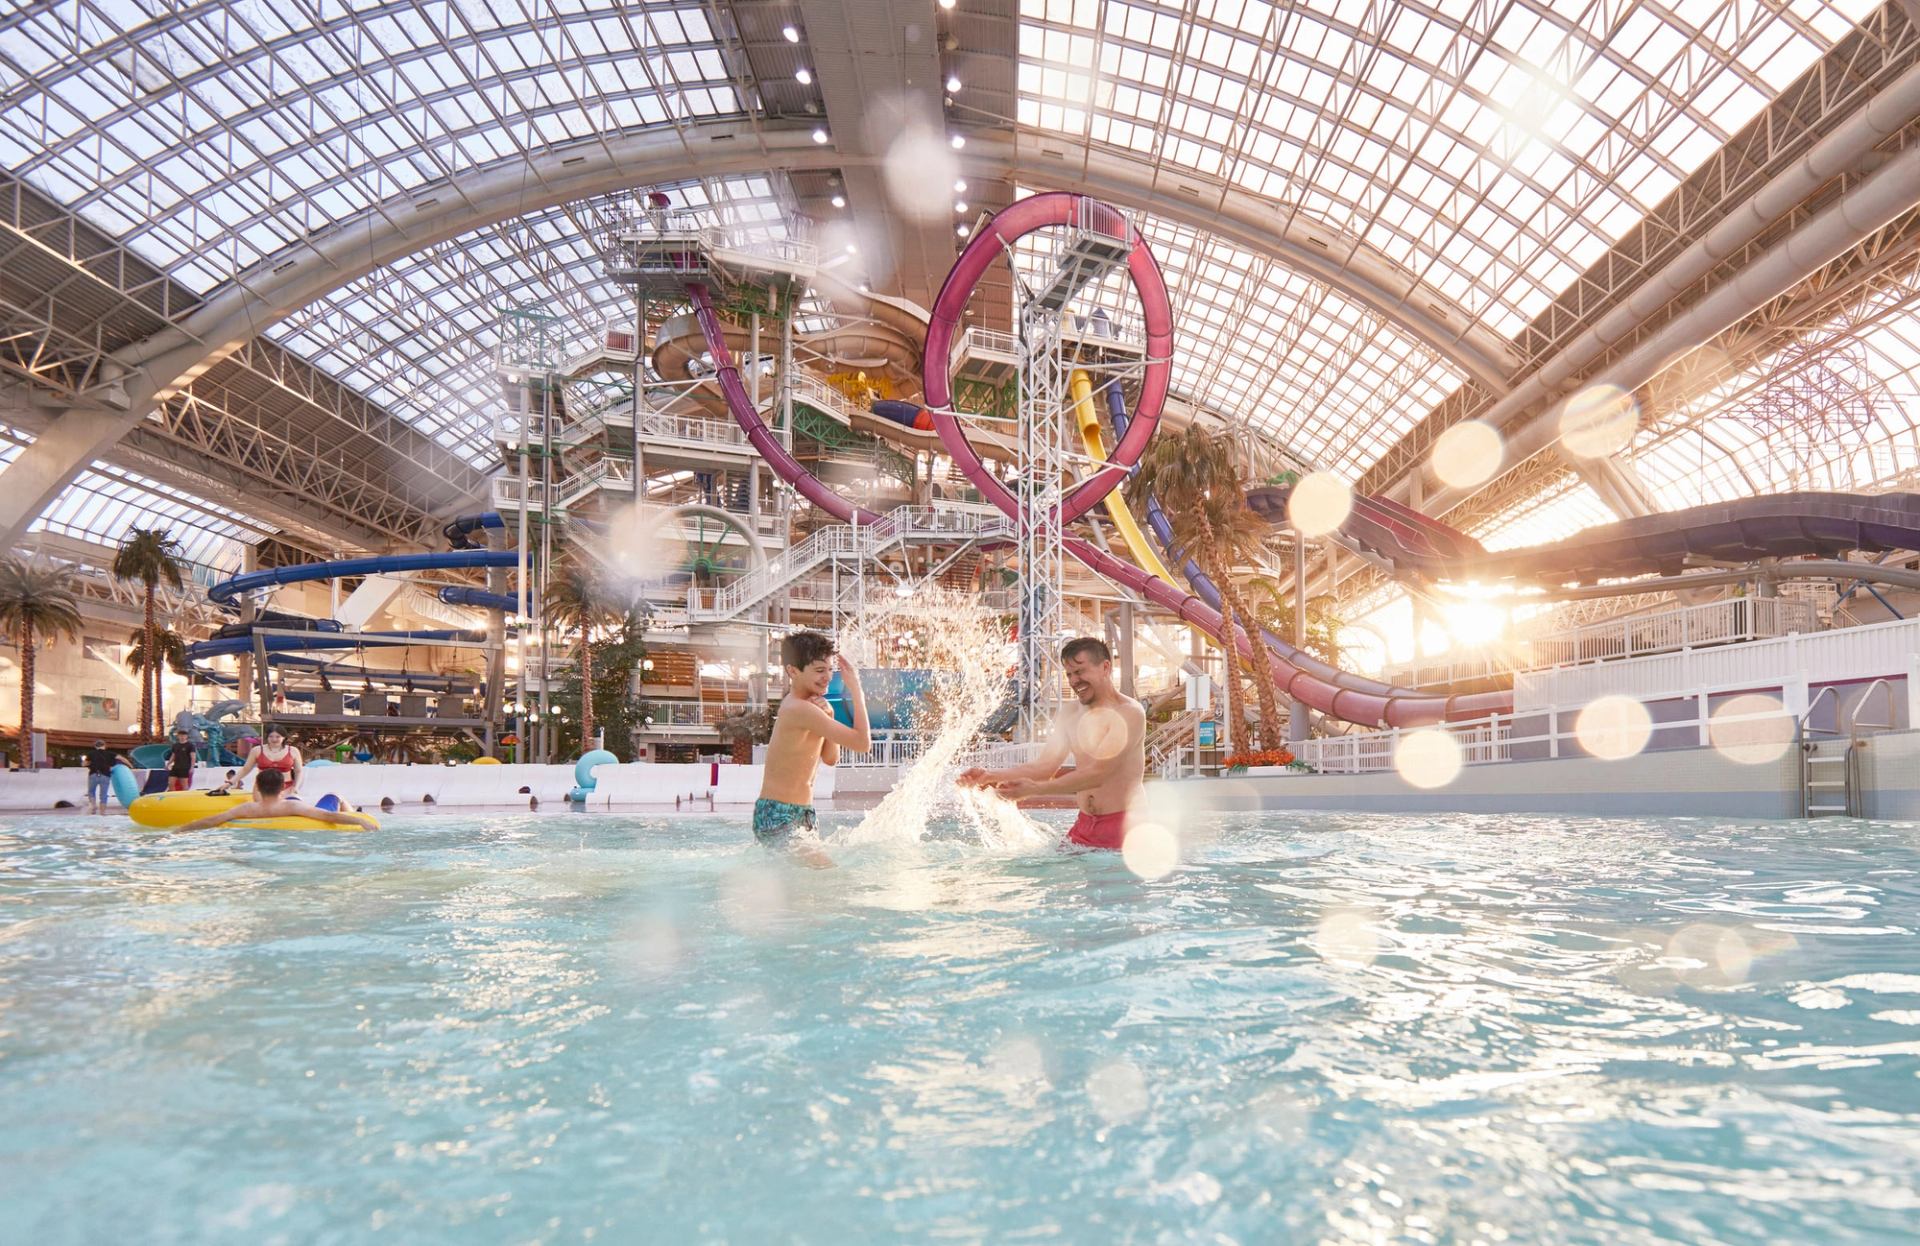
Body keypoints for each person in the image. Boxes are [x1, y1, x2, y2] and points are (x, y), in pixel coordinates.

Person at [958, 637, 1146, 851]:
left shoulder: (1129, 713)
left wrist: (1035, 790)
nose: (1075, 681)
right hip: (1084, 826)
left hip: (1125, 826)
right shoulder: (1069, 713)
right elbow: (1044, 767)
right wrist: (991, 776)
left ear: (1105, 667)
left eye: (1081, 671)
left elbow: (1098, 774)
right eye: (1069, 674)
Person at [754, 631, 870, 868]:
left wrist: (829, 713)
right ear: (793, 671)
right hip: (778, 816)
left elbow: (830, 758)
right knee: (829, 874)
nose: (827, 677)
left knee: (805, 888)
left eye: (829, 669)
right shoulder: (798, 708)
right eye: (819, 670)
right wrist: (856, 691)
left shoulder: (812, 708)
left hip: (803, 813)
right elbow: (862, 743)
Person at [174, 768, 375, 832]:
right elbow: (329, 816)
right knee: (334, 796)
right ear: (283, 787)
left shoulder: (248, 809)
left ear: (258, 788)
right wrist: (360, 820)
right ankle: (355, 811)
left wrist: (180, 829)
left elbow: (212, 820)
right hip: (304, 816)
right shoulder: (291, 805)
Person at [232, 725, 302, 796]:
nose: (274, 739)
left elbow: (298, 771)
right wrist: (230, 782)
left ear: (284, 737)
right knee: (263, 807)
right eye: (271, 736)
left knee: (285, 806)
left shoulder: (293, 751)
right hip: (261, 788)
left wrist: (295, 787)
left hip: (286, 787)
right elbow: (245, 769)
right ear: (267, 737)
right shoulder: (257, 750)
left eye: (278, 737)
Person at [83, 738, 134, 815]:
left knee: (91, 792)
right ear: (104, 746)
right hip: (105, 775)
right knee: (103, 794)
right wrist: (131, 766)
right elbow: (122, 758)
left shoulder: (91, 753)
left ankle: (93, 805)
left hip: (93, 774)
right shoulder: (110, 753)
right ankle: (102, 813)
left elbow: (84, 764)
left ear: (95, 746)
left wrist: (89, 762)